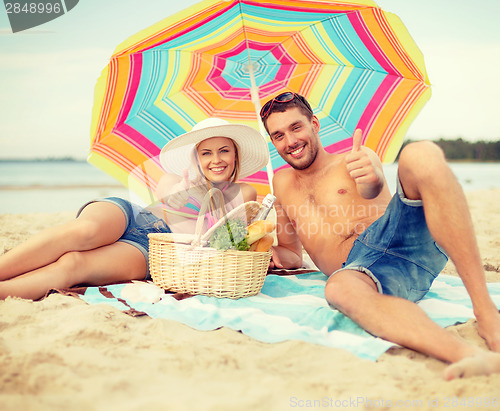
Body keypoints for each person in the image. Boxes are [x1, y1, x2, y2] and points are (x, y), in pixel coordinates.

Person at [260, 92, 500, 380]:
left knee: (418, 153)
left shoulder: (355, 159)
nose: (290, 142)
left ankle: (487, 314)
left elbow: (372, 187)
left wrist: (371, 178)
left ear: (314, 124)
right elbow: (291, 253)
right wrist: (272, 256)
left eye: (296, 127)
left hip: (398, 236)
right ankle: (471, 356)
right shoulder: (281, 183)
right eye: (278, 135)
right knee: (337, 289)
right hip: (366, 274)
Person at [0, 118, 269, 301]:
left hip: (153, 248)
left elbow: (229, 243)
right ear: (196, 158)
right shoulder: (176, 179)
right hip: (130, 215)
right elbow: (166, 199)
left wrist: (216, 201)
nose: (216, 160)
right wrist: (184, 194)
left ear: (236, 155)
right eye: (206, 153)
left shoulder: (245, 193)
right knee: (84, 231)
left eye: (224, 151)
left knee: (74, 263)